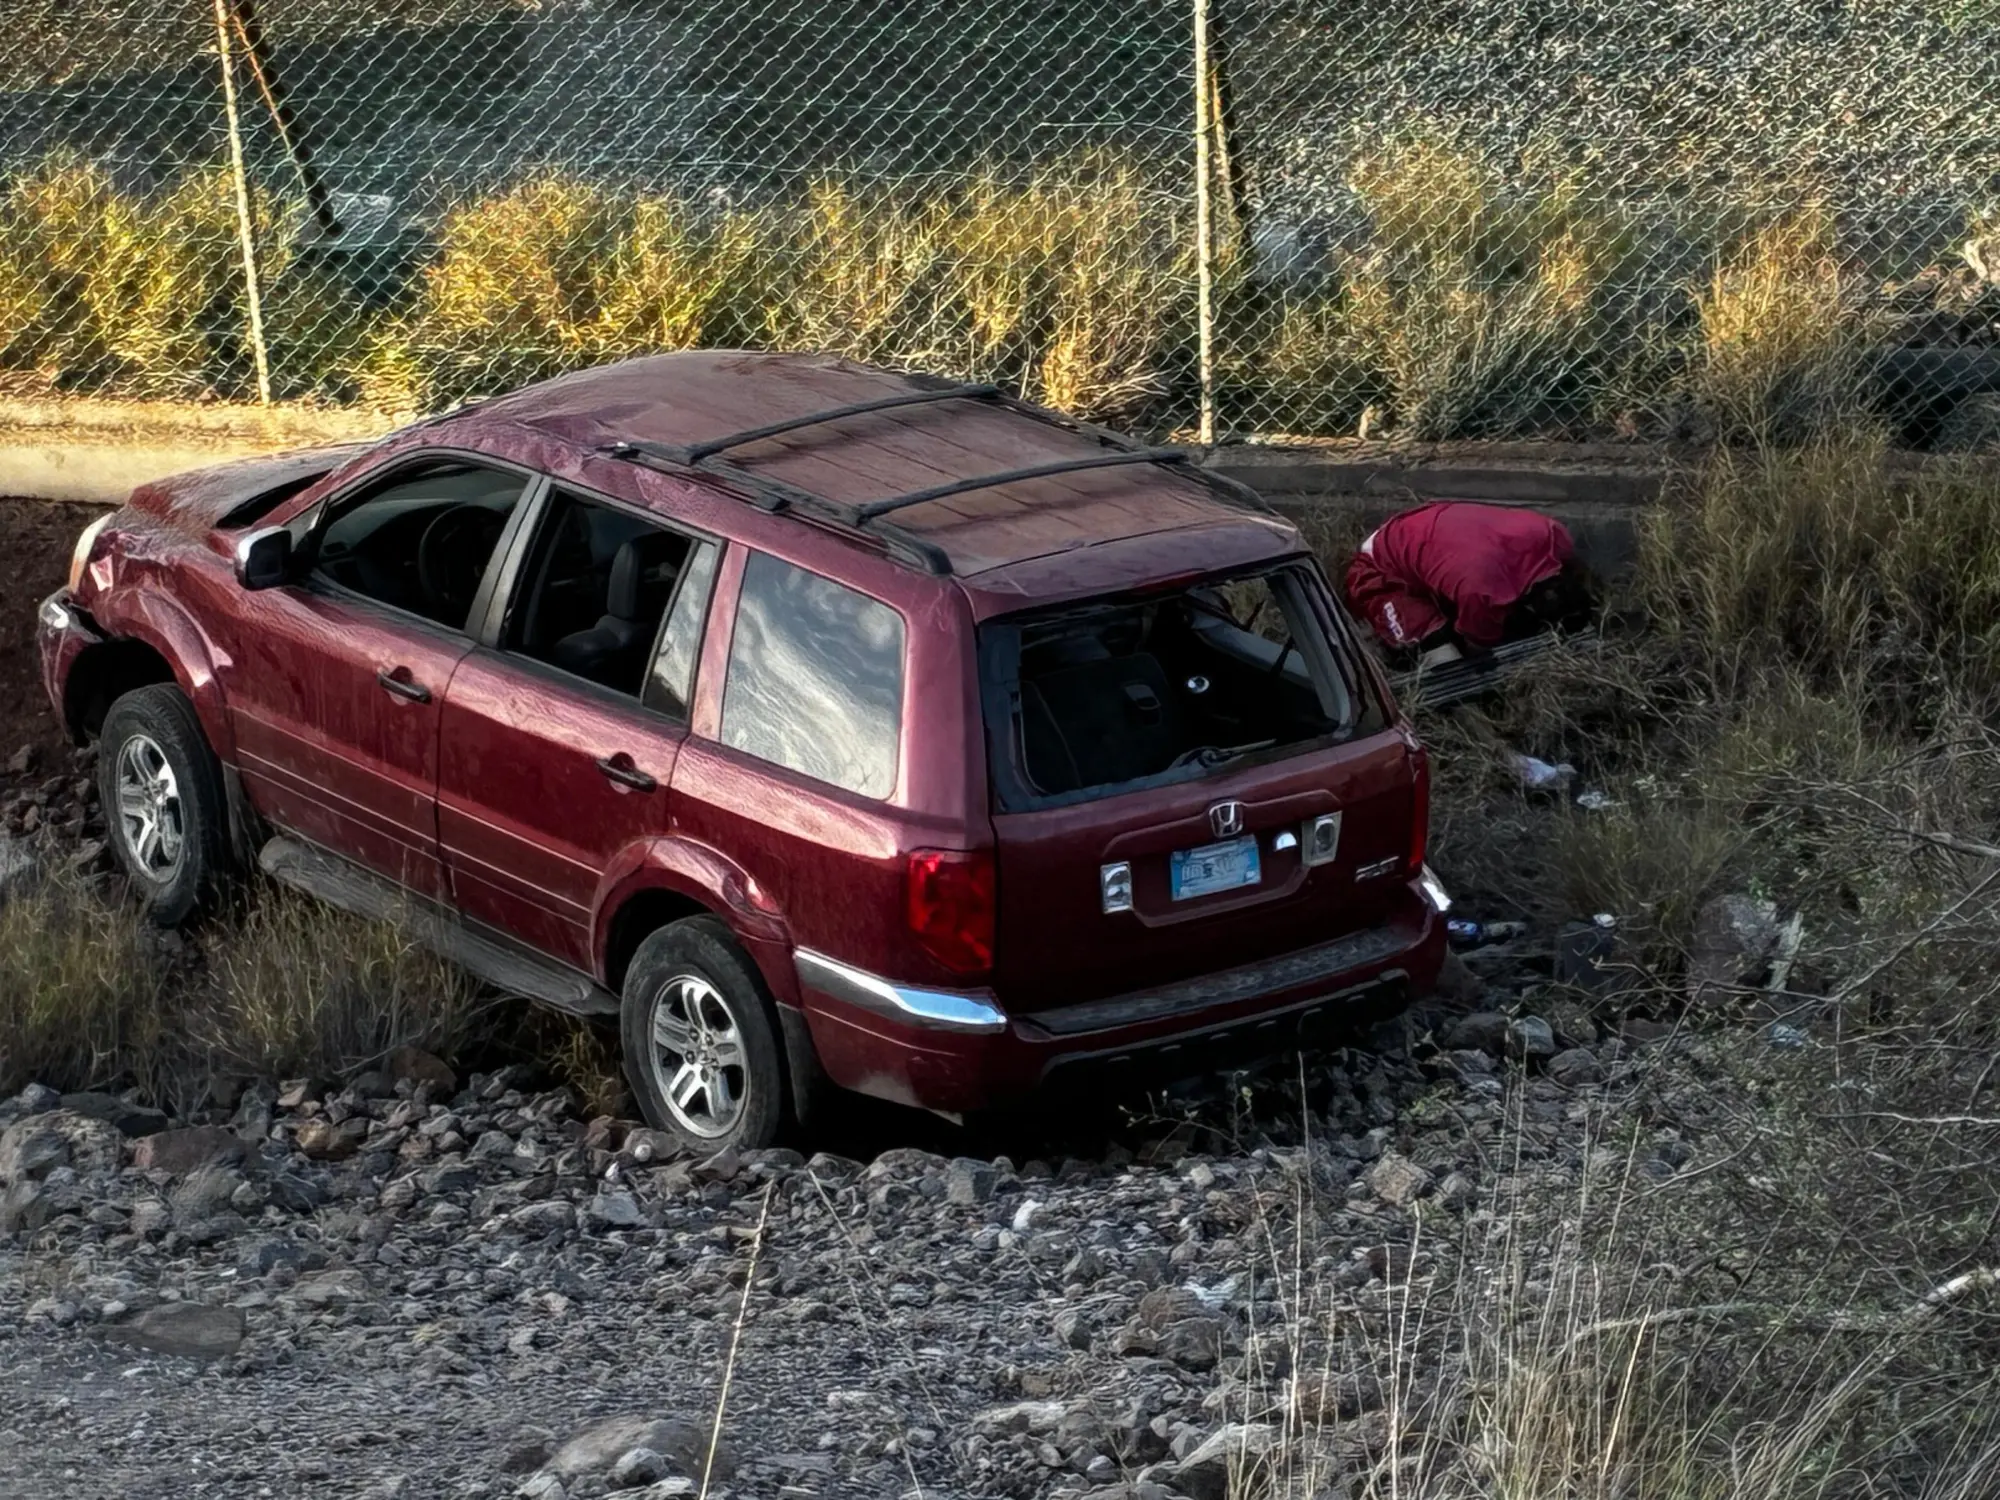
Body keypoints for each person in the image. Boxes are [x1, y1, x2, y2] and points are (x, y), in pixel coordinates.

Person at [1342, 502, 1596, 667]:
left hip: (1431, 537)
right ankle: (1478, 730)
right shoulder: (1482, 592)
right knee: (1444, 659)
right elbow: (1479, 649)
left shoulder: (1553, 536)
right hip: (1382, 570)